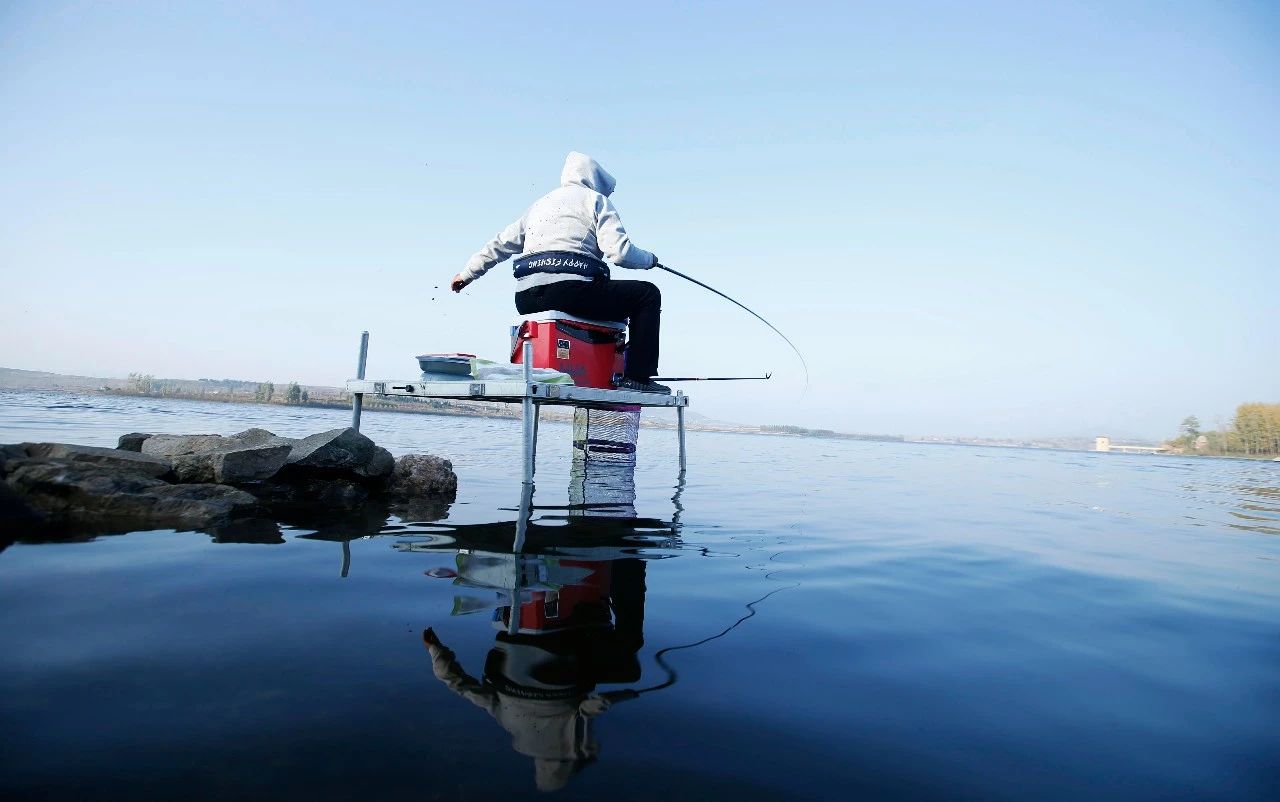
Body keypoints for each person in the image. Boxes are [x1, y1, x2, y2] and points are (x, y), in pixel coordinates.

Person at [451, 152, 669, 394]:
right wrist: (649, 260)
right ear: (595, 179)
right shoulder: (596, 200)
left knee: (612, 300)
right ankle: (638, 377)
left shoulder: (538, 205)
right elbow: (620, 253)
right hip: (570, 293)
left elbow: (499, 244)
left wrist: (466, 274)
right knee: (647, 294)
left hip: (526, 299)